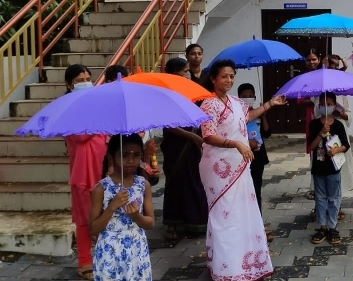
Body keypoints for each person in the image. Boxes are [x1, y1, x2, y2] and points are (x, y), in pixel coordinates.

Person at [198, 59, 286, 281]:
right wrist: (235, 143)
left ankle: (244, 263)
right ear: (213, 79)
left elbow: (248, 117)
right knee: (224, 214)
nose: (229, 80)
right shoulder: (209, 104)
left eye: (231, 76)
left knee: (242, 213)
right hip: (218, 168)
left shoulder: (235, 102)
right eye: (224, 76)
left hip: (240, 164)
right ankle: (225, 267)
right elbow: (208, 135)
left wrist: (270, 104)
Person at [63, 64, 107, 280]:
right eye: (80, 80)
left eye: (88, 79)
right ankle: (84, 262)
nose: (85, 83)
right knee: (84, 218)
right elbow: (80, 136)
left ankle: (103, 258)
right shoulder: (67, 107)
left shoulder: (96, 105)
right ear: (69, 84)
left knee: (105, 214)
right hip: (83, 172)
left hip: (103, 167)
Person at [89, 134, 154, 281]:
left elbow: (150, 223)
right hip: (110, 251)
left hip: (137, 249)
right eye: (124, 155)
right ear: (111, 158)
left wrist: (136, 216)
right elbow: (93, 229)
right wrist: (112, 207)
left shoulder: (143, 185)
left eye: (136, 155)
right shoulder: (101, 189)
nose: (131, 161)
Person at [160, 57, 208, 241]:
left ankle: (195, 221)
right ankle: (172, 224)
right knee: (175, 182)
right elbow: (168, 125)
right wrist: (192, 136)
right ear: (175, 74)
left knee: (193, 182)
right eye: (185, 71)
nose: (188, 74)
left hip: (192, 146)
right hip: (176, 146)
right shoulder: (166, 96)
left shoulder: (189, 91)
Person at [307, 92, 350, 245]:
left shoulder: (338, 125)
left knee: (333, 198)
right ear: (319, 106)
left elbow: (345, 145)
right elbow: (311, 146)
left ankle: (332, 226)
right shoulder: (314, 124)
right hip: (318, 169)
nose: (326, 107)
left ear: (334, 106)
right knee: (320, 198)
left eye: (329, 104)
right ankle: (322, 226)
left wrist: (336, 150)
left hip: (333, 169)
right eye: (323, 104)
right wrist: (321, 133)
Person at [237, 82, 273, 243]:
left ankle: (258, 224)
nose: (247, 98)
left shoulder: (258, 112)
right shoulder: (237, 114)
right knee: (242, 191)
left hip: (257, 157)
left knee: (256, 190)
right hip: (242, 156)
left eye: (250, 96)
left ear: (255, 97)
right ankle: (244, 224)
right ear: (239, 98)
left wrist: (263, 115)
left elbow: (267, 132)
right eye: (244, 96)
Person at [325, 54, 353, 194]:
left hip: (340, 128)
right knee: (324, 159)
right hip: (325, 128)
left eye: (336, 65)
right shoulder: (321, 87)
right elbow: (317, 110)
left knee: (341, 159)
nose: (334, 68)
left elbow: (348, 113)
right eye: (331, 65)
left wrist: (341, 114)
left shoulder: (342, 89)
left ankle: (341, 192)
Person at [298, 49, 322, 202]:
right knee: (314, 151)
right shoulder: (304, 79)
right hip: (312, 119)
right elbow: (300, 101)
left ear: (319, 59)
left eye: (314, 59)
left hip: (324, 117)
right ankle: (314, 187)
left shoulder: (323, 76)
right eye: (309, 60)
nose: (312, 62)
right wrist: (314, 99)